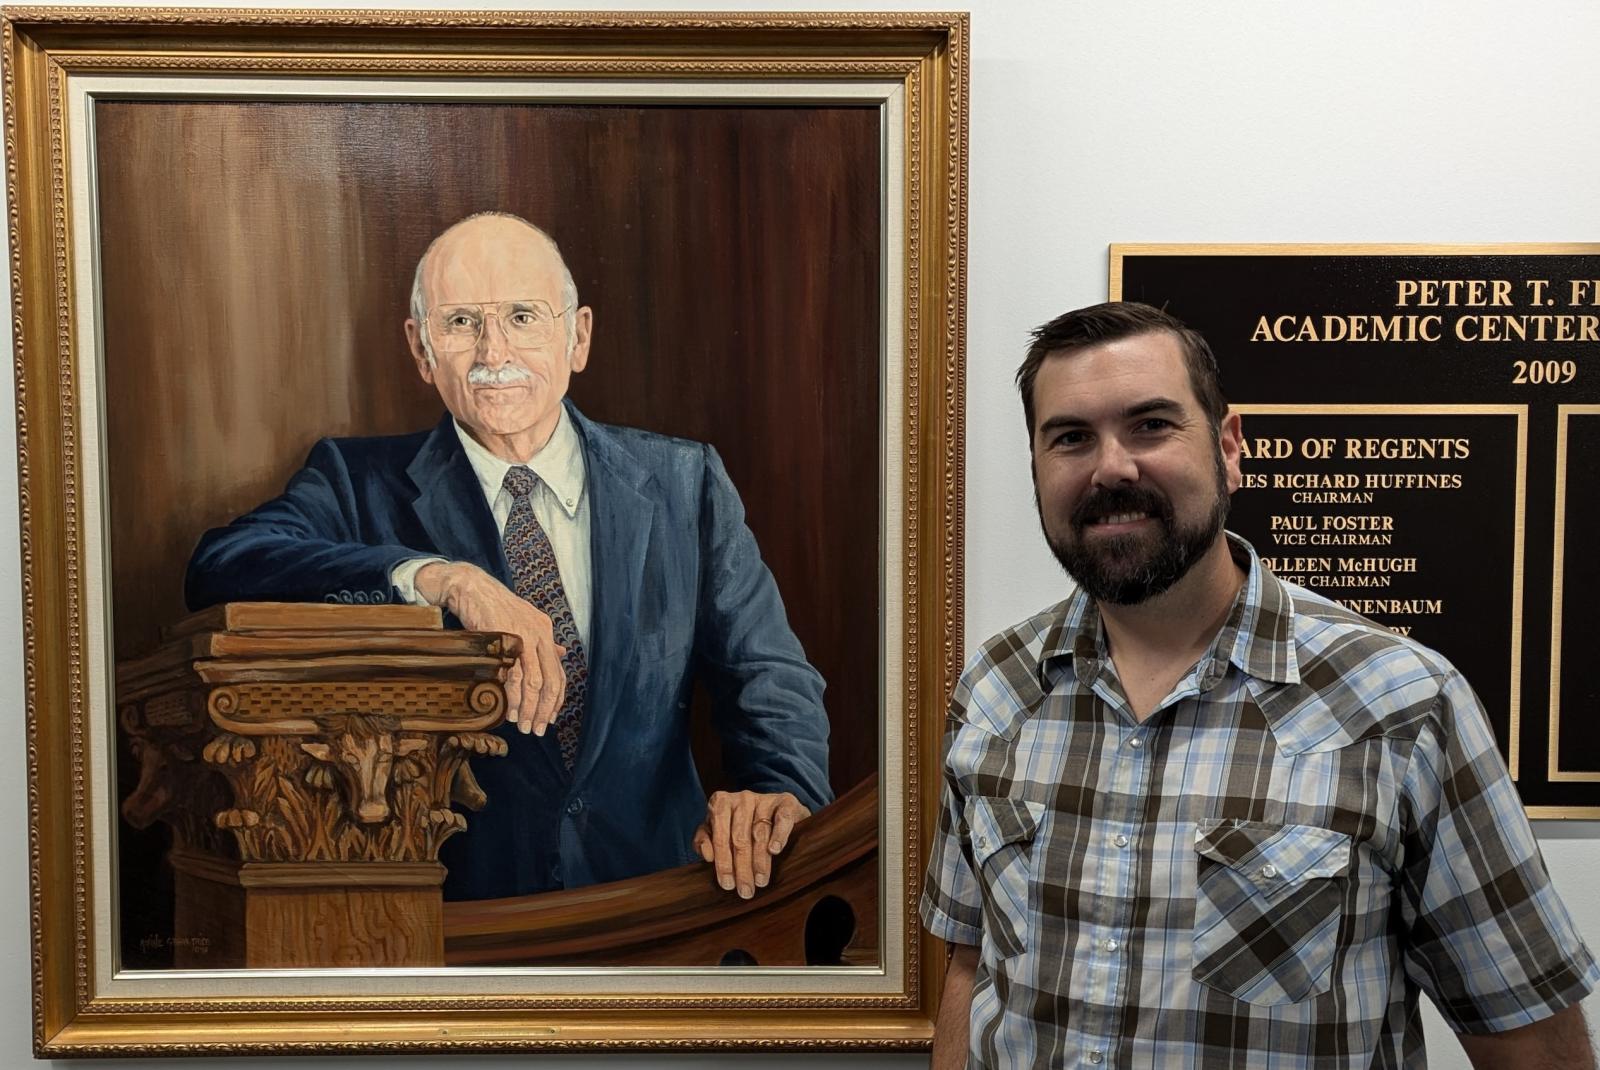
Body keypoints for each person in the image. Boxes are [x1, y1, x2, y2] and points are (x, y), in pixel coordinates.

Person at [921, 301, 1597, 1068]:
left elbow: (1530, 1037)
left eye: (1151, 425)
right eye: (1071, 437)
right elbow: (972, 966)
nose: (1111, 466)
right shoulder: (994, 691)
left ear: (1229, 447)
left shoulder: (1401, 706)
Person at [186, 212, 831, 901]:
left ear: (578, 335)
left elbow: (771, 683)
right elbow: (222, 563)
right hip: (463, 930)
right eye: (461, 322)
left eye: (523, 316)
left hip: (668, 910)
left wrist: (775, 796)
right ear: (420, 349)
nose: (494, 351)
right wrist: (438, 579)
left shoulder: (685, 484)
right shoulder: (356, 481)